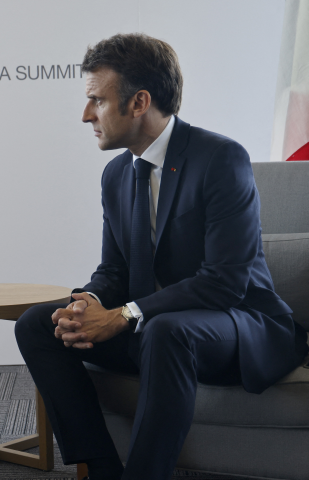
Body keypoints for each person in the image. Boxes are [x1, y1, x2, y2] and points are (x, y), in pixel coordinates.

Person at [15, 33, 308, 480]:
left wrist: (124, 315)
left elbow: (225, 282)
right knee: (38, 323)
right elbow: (113, 269)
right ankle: (103, 468)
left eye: (97, 100)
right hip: (153, 329)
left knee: (166, 331)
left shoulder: (220, 158)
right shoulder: (116, 175)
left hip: (236, 324)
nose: (85, 114)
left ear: (139, 103)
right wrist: (90, 302)